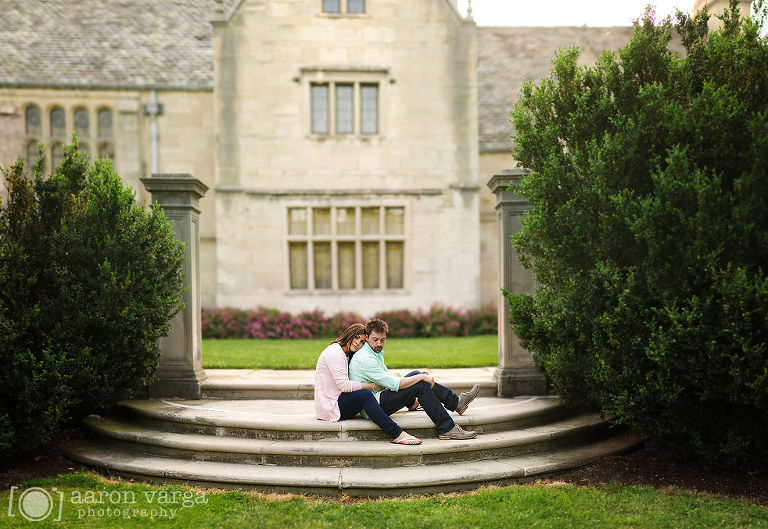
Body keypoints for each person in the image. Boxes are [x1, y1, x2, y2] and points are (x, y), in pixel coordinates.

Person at [348, 318, 480, 440]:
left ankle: (456, 402)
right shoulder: (365, 358)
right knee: (421, 384)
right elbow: (393, 384)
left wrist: (417, 376)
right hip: (373, 406)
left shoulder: (373, 352)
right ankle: (447, 427)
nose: (379, 344)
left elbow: (386, 380)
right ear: (367, 337)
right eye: (375, 339)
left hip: (379, 396)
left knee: (415, 374)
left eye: (383, 340)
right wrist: (420, 377)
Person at [314, 323, 422, 445]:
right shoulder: (335, 352)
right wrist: (373, 386)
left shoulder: (346, 353)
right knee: (365, 394)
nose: (357, 343)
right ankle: (397, 433)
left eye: (361, 342)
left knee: (401, 380)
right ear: (349, 333)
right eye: (356, 337)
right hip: (331, 406)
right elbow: (345, 386)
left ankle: (412, 402)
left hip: (338, 399)